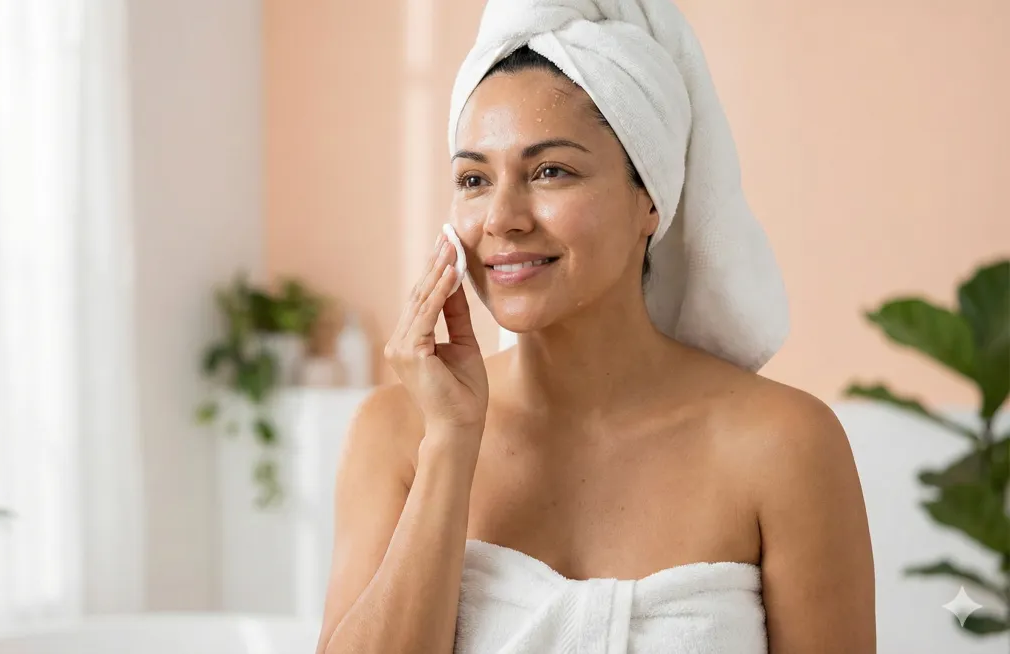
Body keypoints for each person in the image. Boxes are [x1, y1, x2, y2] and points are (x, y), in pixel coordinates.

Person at [315, 2, 875, 653]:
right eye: (473, 178)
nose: (501, 218)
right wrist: (450, 442)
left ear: (651, 200)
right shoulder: (397, 433)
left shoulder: (782, 445)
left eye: (550, 171)